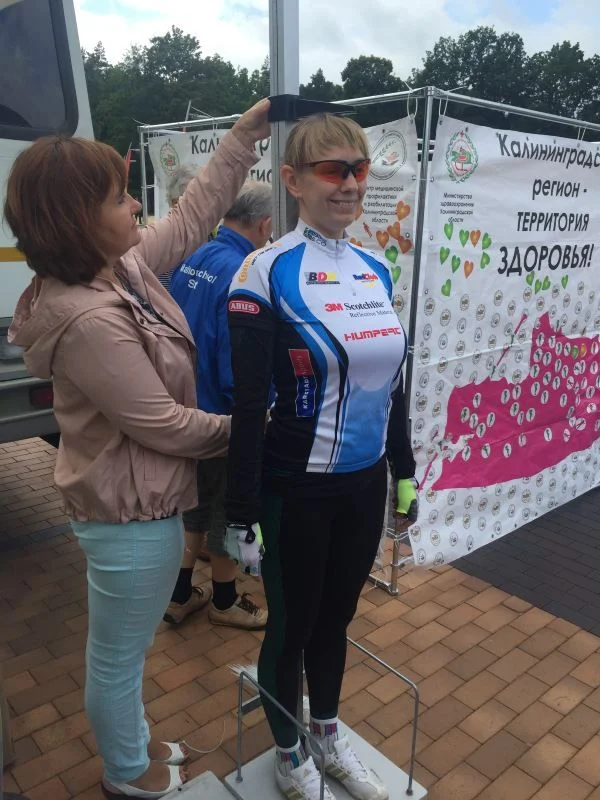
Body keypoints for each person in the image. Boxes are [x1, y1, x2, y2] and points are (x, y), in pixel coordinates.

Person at [4, 98, 270, 800]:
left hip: (140, 504)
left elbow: (188, 218)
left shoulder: (115, 269)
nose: (135, 208)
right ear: (77, 220)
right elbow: (166, 425)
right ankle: (127, 774)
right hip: (131, 518)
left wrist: (243, 137)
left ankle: (137, 744)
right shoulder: (90, 318)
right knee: (119, 658)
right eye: (118, 199)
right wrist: (251, 428)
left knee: (128, 649)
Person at [224, 113, 418, 800]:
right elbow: (248, 404)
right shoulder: (263, 271)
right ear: (293, 180)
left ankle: (327, 736)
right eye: (333, 170)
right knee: (292, 627)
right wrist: (240, 510)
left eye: (359, 169)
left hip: (363, 486)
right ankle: (288, 754)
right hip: (294, 487)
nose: (350, 184)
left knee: (336, 621)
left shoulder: (375, 267)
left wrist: (405, 471)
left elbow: (391, 384)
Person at [163, 182, 273, 630]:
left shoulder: (196, 256)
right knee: (228, 509)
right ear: (264, 224)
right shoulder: (243, 272)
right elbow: (236, 365)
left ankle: (179, 593)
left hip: (186, 406)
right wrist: (257, 413)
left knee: (195, 504)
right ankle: (224, 601)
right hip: (223, 415)